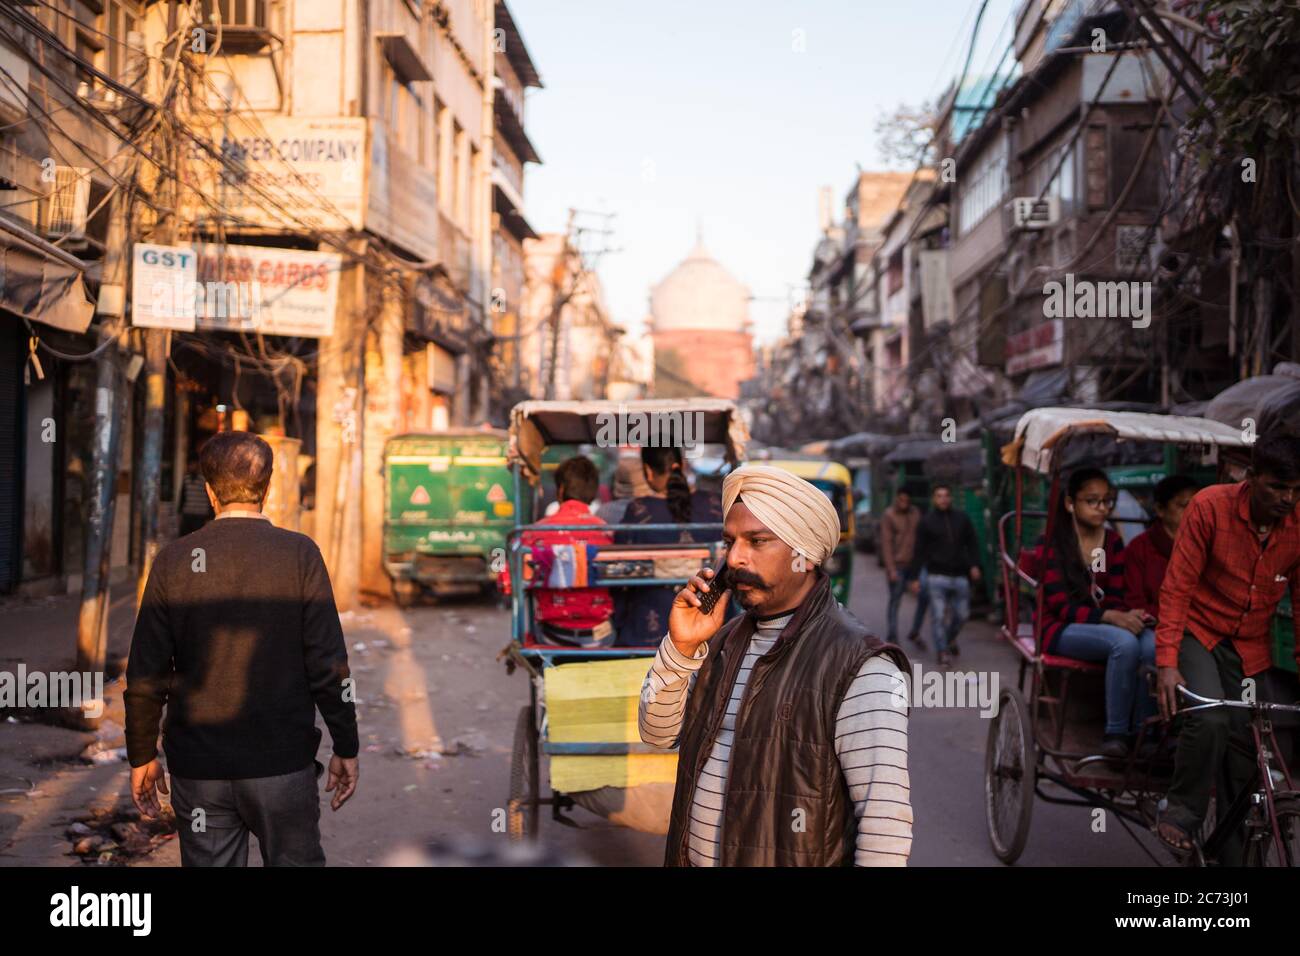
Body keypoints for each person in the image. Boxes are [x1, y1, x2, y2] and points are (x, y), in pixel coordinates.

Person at [638, 464, 912, 866]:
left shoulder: (861, 666)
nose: (734, 558)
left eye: (757, 541)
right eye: (730, 541)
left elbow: (885, 827)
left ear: (805, 552)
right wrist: (681, 648)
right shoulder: (724, 641)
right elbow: (656, 734)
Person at [125, 431, 359, 866]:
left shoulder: (175, 561)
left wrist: (141, 754)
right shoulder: (300, 555)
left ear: (210, 491)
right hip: (283, 769)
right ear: (267, 488)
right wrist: (346, 745)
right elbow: (330, 667)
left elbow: (145, 674)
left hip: (199, 773)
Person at [1154, 431, 1300, 861]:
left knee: (1247, 743)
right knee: (1210, 718)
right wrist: (1166, 663)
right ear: (1251, 477)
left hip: (1250, 644)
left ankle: (1233, 854)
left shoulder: (1297, 523)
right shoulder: (1209, 507)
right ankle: (1180, 812)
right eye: (1277, 487)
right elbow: (1177, 588)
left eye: (1296, 490)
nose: (1287, 499)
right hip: (1198, 631)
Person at [1037, 467, 1155, 758]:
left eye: (1107, 501)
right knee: (1123, 643)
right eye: (1092, 501)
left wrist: (1126, 615)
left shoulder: (1111, 542)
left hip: (1102, 625)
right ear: (1070, 503)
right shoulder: (1053, 543)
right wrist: (1109, 617)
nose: (1102, 508)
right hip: (1059, 628)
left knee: (1151, 643)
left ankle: (1146, 733)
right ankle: (1116, 732)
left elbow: (1114, 595)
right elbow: (1060, 606)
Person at [612, 446, 722, 646]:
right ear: (681, 466)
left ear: (648, 471)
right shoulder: (714, 503)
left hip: (649, 627)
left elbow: (619, 568)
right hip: (710, 621)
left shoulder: (638, 510)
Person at [519, 456, 615, 648]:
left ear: (560, 489)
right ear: (593, 493)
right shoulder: (608, 534)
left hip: (552, 634)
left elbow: (506, 580)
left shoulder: (533, 534)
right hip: (600, 636)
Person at [907, 484, 981, 666]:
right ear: (934, 499)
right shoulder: (927, 522)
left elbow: (972, 543)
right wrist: (915, 577)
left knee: (962, 615)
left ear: (951, 498)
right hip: (936, 576)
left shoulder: (962, 518)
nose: (943, 499)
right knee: (938, 616)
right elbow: (919, 551)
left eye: (946, 495)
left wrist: (974, 565)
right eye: (939, 496)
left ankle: (948, 640)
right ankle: (942, 651)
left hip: (960, 576)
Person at [1123, 475, 1199, 621]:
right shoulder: (1139, 548)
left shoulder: (1205, 544)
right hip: (1157, 625)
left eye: (1196, 506)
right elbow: (1135, 602)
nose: (1192, 512)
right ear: (1160, 510)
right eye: (1184, 505)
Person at [881, 489, 928, 648]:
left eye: (906, 500)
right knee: (895, 600)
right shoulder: (889, 515)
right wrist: (891, 569)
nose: (904, 503)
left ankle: (915, 631)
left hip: (915, 565)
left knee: (924, 596)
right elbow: (886, 544)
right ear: (896, 499)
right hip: (898, 565)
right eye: (901, 500)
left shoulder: (915, 513)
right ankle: (892, 635)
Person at [177, 457, 214, 536]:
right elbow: (182, 497)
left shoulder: (203, 480)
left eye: (194, 464)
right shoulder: (186, 479)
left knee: (198, 537)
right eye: (190, 465)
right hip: (188, 513)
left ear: (197, 465)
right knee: (184, 537)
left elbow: (209, 498)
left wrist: (209, 515)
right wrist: (179, 513)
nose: (192, 466)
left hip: (200, 515)